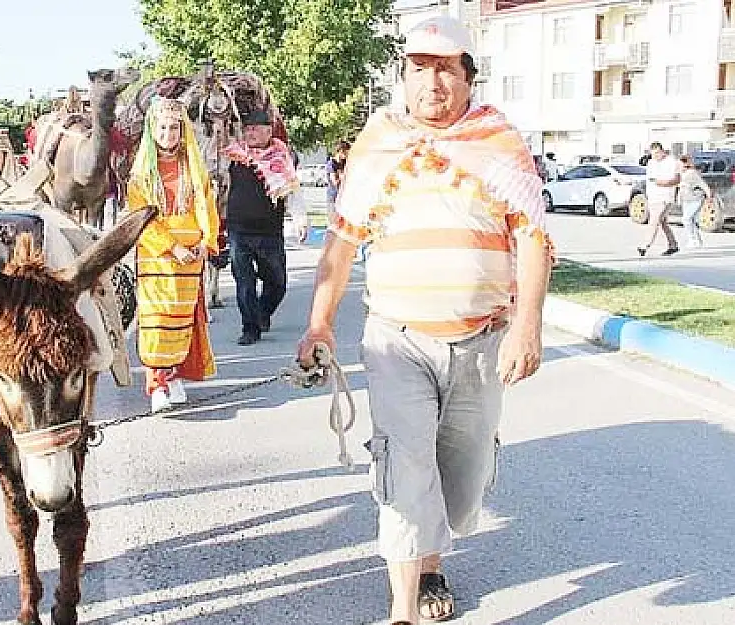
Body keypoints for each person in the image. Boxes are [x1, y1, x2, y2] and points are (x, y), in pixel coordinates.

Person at [297, 16, 553, 625]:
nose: (432, 80)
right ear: (403, 77)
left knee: (461, 484)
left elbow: (534, 238)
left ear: (468, 76)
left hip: (481, 340)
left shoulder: (498, 140)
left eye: (446, 67)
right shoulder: (378, 141)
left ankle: (433, 559)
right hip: (396, 340)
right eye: (419, 67)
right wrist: (319, 325)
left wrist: (528, 327)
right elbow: (340, 243)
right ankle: (404, 607)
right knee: (404, 465)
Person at [126, 97, 220, 413]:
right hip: (158, 257)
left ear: (183, 130)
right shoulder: (141, 175)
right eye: (163, 127)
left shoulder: (193, 167)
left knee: (184, 320)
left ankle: (176, 375)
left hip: (190, 259)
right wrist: (171, 246)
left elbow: (206, 205)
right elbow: (141, 217)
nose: (168, 133)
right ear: (153, 130)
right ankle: (157, 383)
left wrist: (205, 242)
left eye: (174, 127)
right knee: (157, 320)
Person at [223, 109, 300, 346]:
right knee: (244, 282)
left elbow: (293, 192)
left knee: (277, 283)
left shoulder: (282, 158)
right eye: (247, 129)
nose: (251, 133)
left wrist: (300, 218)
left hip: (269, 232)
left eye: (256, 128)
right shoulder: (233, 156)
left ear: (269, 130)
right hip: (239, 230)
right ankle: (250, 328)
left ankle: (262, 312)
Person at [638, 142, 680, 256]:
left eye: (657, 153)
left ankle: (645, 245)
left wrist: (665, 183)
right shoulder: (651, 163)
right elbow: (650, 180)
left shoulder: (672, 162)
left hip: (665, 196)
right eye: (653, 154)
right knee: (662, 222)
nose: (655, 156)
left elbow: (677, 179)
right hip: (653, 197)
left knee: (654, 221)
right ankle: (673, 245)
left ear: (662, 151)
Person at [678, 154, 711, 249]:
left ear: (686, 164)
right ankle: (697, 240)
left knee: (686, 219)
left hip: (695, 199)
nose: (679, 167)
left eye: (681, 165)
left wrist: (709, 196)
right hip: (686, 199)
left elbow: (703, 185)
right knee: (692, 220)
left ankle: (692, 239)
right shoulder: (681, 174)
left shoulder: (692, 173)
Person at [326, 140, 350, 216]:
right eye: (346, 152)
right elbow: (335, 182)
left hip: (344, 197)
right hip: (334, 197)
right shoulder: (331, 164)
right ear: (340, 151)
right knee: (334, 222)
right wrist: (343, 176)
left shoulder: (345, 162)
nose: (347, 155)